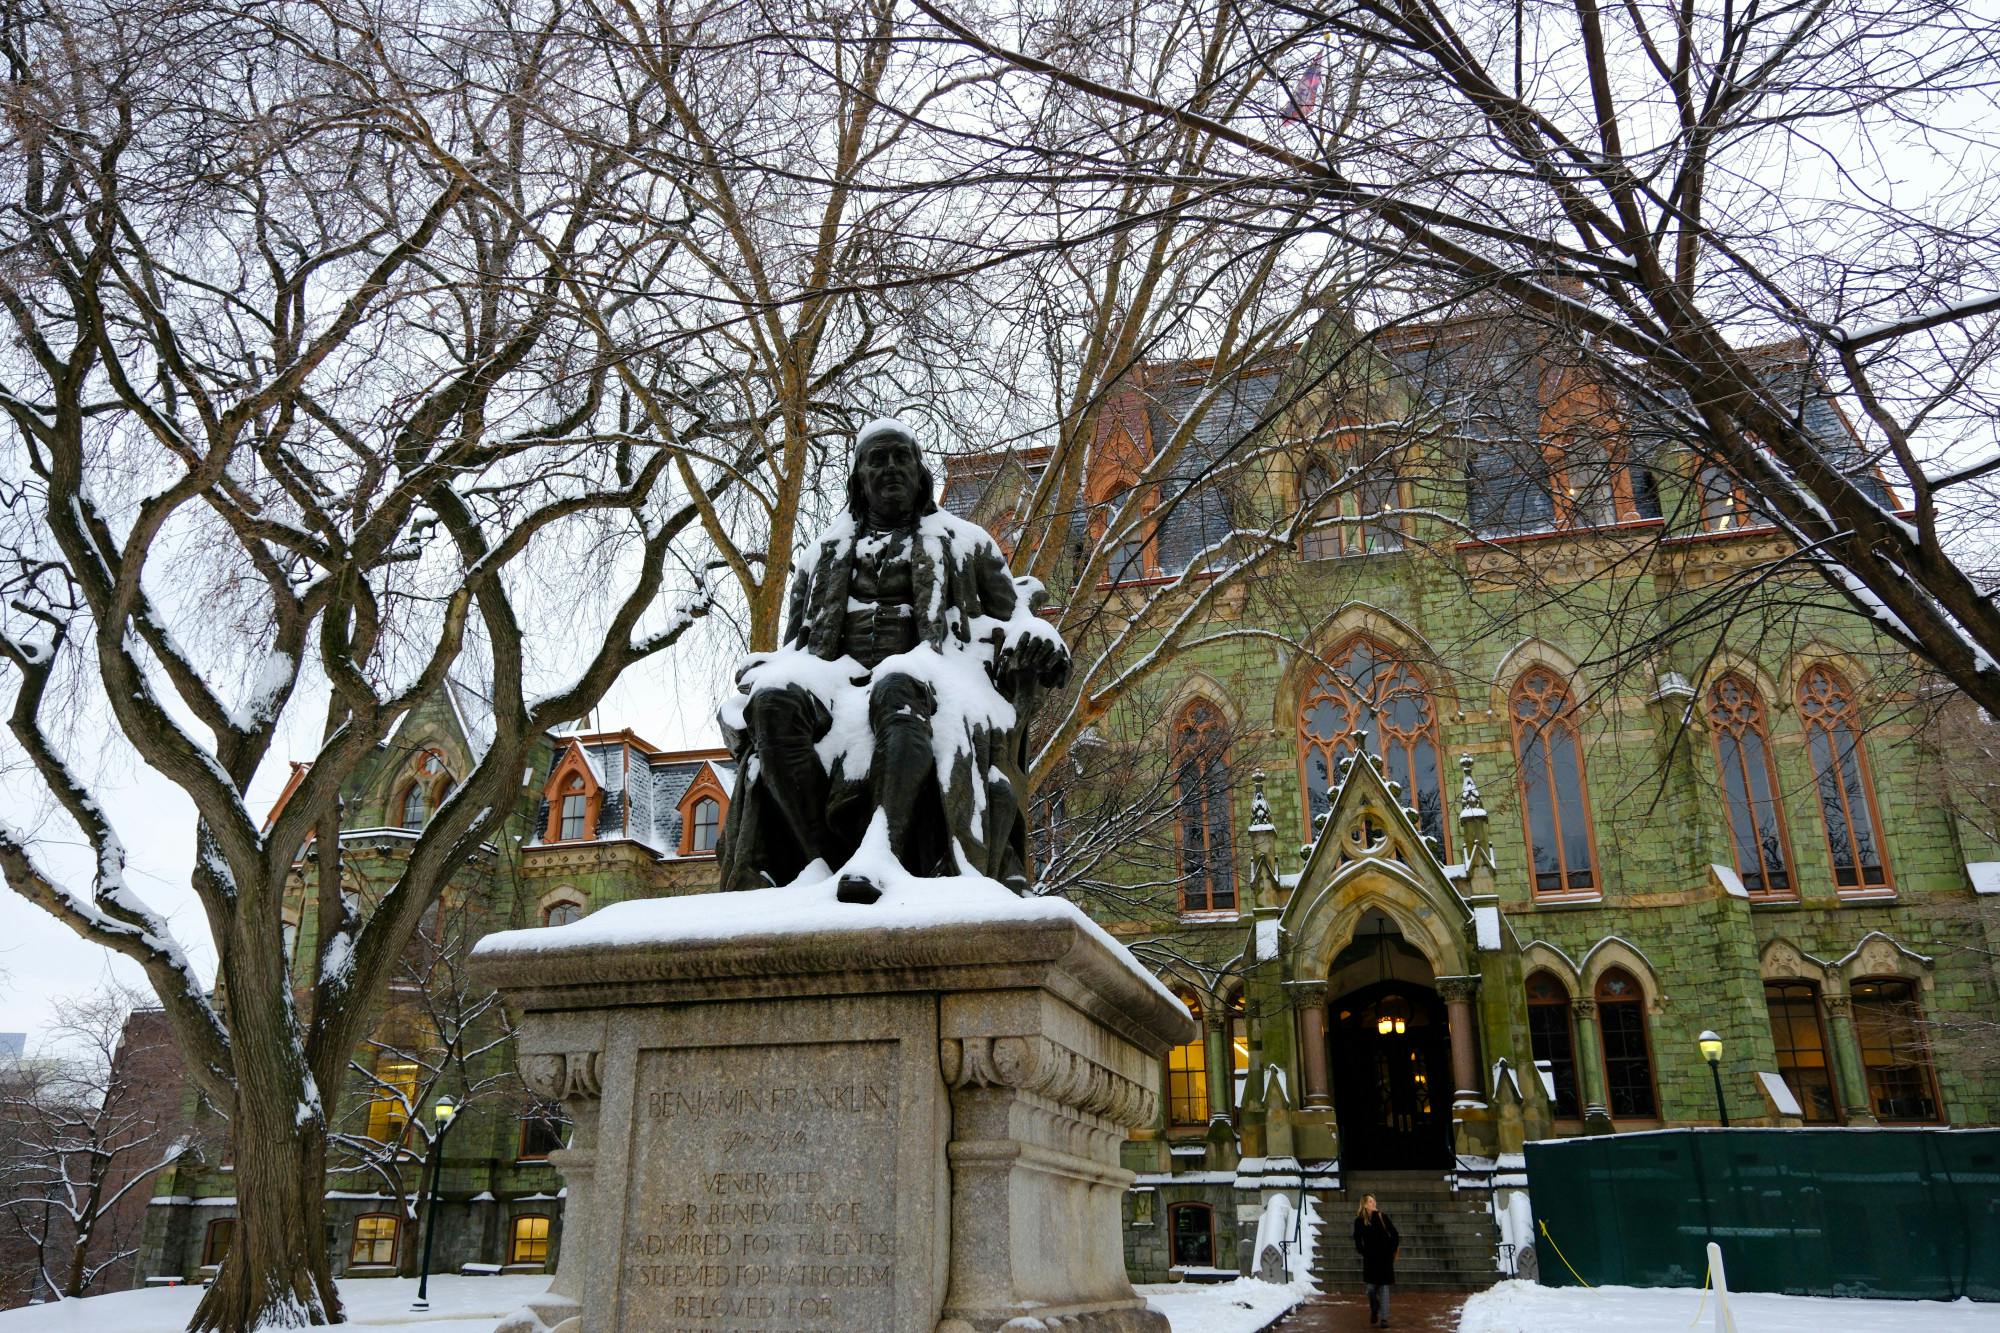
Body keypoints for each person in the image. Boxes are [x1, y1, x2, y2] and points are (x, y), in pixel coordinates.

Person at [716, 416, 1069, 899]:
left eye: (901, 457)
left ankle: (880, 850)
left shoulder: (966, 543)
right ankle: (819, 860)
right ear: (858, 478)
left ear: (920, 472)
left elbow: (1015, 618)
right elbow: (797, 647)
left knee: (898, 681)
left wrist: (1040, 640)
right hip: (834, 680)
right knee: (773, 700)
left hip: (928, 677)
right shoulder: (821, 555)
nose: (890, 468)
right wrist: (770, 668)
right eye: (876, 460)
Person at [1353, 1193, 1399, 1327]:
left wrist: (1391, 1250)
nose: (1374, 1203)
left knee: (1384, 1289)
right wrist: (1363, 1251)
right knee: (1370, 1288)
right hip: (1370, 1259)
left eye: (1374, 1201)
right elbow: (1357, 1239)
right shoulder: (1359, 1221)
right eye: (1371, 1201)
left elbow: (1394, 1233)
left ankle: (1384, 1319)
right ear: (1365, 1204)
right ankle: (1374, 1307)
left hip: (1385, 1258)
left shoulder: (1382, 1216)